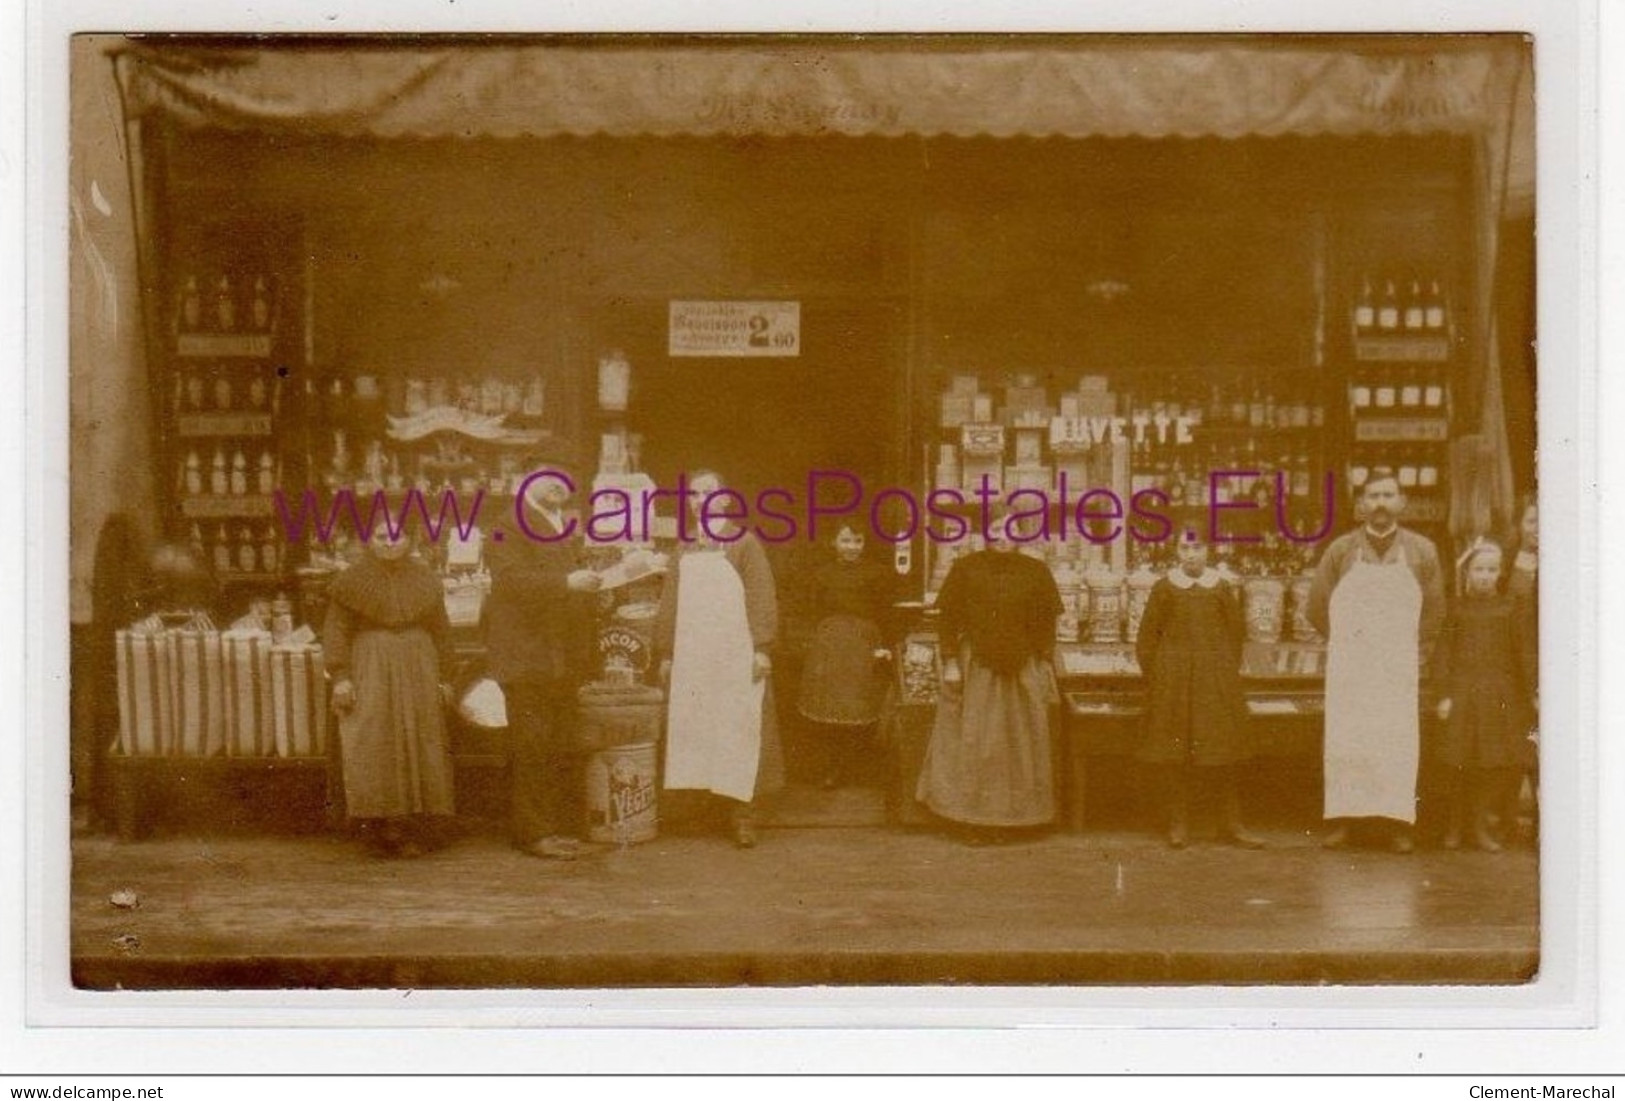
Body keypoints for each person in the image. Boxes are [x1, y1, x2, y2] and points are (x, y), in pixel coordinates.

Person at [1306, 468, 1446, 853]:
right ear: (1360, 505)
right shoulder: (1341, 551)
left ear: (1402, 502)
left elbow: (1435, 610)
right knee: (1348, 740)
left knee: (1395, 741)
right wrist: (1350, 646)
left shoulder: (1421, 551)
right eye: (1373, 496)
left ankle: (1396, 823)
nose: (1381, 503)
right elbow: (1317, 606)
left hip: (1398, 665)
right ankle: (1344, 822)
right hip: (1352, 665)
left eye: (1388, 495)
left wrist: (1418, 653)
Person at [654, 470, 784, 848]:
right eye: (693, 494)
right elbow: (671, 603)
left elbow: (762, 595)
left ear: (726, 500)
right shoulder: (684, 548)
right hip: (695, 655)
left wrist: (762, 647)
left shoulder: (744, 544)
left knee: (740, 728)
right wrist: (666, 653)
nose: (700, 500)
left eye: (708, 492)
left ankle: (743, 816)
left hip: (736, 653)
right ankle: (704, 810)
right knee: (698, 727)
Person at [916, 510, 1062, 841]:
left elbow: (1045, 624)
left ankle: (1015, 821)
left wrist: (1043, 662)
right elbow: (948, 621)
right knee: (977, 742)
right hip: (977, 666)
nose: (1002, 536)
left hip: (1021, 668)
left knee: (1018, 743)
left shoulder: (1036, 572)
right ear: (985, 531)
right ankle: (973, 821)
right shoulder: (965, 569)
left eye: (1011, 529)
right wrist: (951, 662)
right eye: (996, 528)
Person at [485, 462, 602, 860]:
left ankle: (552, 827)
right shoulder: (507, 523)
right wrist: (569, 582)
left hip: (558, 656)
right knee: (531, 745)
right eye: (549, 476)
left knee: (554, 743)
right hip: (526, 655)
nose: (559, 486)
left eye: (567, 479)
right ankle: (533, 834)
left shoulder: (559, 523)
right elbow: (509, 581)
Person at [323, 525, 455, 857]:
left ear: (410, 540)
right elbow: (336, 630)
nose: (390, 543)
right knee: (373, 737)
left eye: (398, 536)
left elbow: (441, 631)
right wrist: (340, 676)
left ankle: (416, 825)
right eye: (381, 537)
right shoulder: (351, 581)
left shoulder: (425, 579)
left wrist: (446, 677)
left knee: (420, 738)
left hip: (419, 664)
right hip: (370, 663)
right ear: (368, 540)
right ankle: (381, 825)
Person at [1134, 536, 1263, 849]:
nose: (1191, 555)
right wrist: (1162, 676)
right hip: (1174, 684)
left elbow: (1235, 636)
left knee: (1223, 751)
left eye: (1197, 548)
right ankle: (1178, 823)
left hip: (1214, 684)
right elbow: (1147, 639)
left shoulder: (1220, 588)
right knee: (1176, 754)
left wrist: (1221, 674)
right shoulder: (1165, 588)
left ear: (1209, 551)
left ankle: (1230, 824)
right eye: (1184, 549)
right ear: (1176, 552)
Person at [1431, 538, 1538, 851]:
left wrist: (1532, 693)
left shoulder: (1511, 608)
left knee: (1489, 764)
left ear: (1500, 573)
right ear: (1468, 573)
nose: (1484, 576)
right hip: (1463, 694)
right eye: (1478, 569)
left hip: (1498, 696)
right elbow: (1443, 654)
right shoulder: (1456, 608)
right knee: (1457, 762)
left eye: (1491, 570)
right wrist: (1444, 695)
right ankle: (1454, 826)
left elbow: (1524, 654)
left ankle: (1480, 826)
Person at [796, 523, 893, 790]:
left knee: (858, 707)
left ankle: (852, 769)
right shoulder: (821, 575)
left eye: (858, 540)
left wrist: (884, 646)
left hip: (863, 645)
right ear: (834, 542)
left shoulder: (878, 574)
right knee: (827, 709)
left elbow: (886, 613)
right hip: (829, 646)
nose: (852, 547)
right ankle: (831, 769)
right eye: (846, 540)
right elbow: (809, 610)